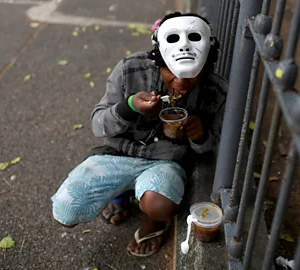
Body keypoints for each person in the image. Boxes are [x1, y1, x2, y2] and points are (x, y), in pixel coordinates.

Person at [51, 12, 228, 257]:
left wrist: (199, 135)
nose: (180, 83)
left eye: (191, 76)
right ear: (158, 60)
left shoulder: (216, 91)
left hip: (165, 162)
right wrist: (129, 107)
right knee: (66, 212)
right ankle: (120, 191)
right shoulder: (129, 71)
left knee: (158, 204)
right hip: (116, 154)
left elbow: (209, 148)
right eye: (171, 72)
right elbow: (98, 125)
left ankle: (154, 222)